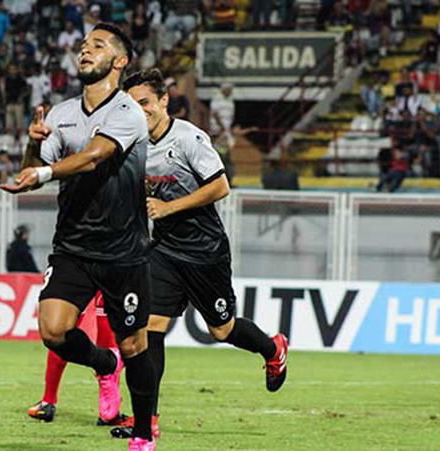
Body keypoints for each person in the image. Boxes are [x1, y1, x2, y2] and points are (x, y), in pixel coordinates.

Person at [0, 23, 156, 451]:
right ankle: (104, 365)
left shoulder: (127, 112)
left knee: (134, 342)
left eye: (98, 46)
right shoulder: (60, 114)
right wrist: (34, 147)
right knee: (52, 330)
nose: (85, 50)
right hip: (72, 245)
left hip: (122, 249)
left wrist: (45, 170)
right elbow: (33, 173)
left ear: (120, 61)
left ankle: (142, 435)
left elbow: (93, 157)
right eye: (84, 44)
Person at [113, 69, 288, 440]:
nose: (138, 110)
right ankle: (148, 420)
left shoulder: (189, 137)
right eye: (131, 104)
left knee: (222, 328)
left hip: (205, 251)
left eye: (144, 102)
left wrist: (169, 208)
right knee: (149, 330)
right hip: (163, 251)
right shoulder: (133, 145)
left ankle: (272, 349)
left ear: (163, 101)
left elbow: (221, 187)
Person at [28, 292, 126, 425]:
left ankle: (48, 401)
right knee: (105, 323)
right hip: (110, 272)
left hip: (78, 274)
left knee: (61, 331)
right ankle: (109, 411)